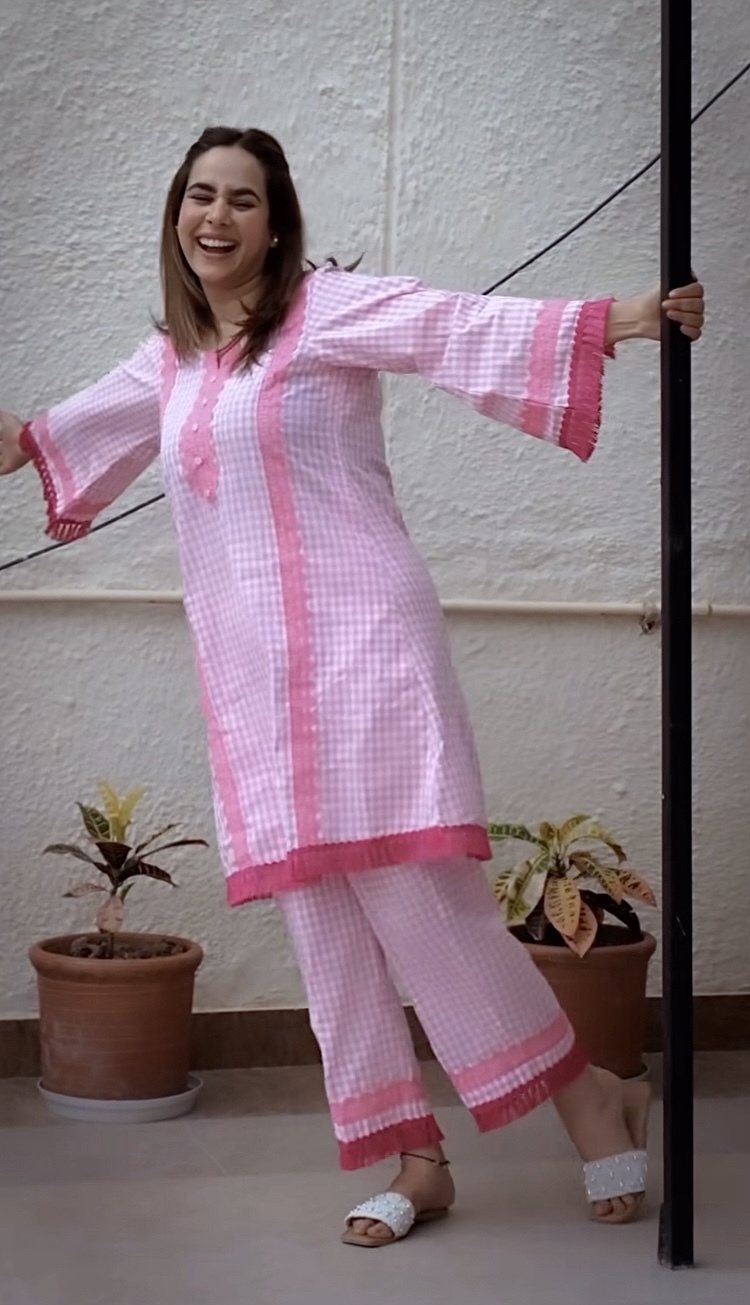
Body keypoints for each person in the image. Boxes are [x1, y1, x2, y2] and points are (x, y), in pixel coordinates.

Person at [0, 126, 704, 1248]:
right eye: (199, 196)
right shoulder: (170, 361)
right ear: (176, 216)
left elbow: (446, 324)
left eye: (242, 199)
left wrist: (625, 317)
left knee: (424, 899)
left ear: (276, 222)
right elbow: (42, 442)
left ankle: (590, 1097)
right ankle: (413, 1157)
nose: (216, 217)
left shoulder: (322, 310)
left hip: (365, 646)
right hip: (257, 682)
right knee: (323, 917)